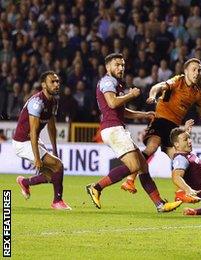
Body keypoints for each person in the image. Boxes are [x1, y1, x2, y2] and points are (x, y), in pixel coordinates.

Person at [118, 58, 201, 204]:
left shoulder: (196, 93)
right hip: (161, 120)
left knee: (179, 159)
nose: (197, 73)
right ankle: (130, 179)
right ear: (186, 71)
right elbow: (159, 86)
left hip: (173, 127)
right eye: (194, 69)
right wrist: (152, 95)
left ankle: (180, 193)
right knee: (152, 147)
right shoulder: (178, 81)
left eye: (199, 70)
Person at [85, 53, 182, 213]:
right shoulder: (108, 81)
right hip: (113, 129)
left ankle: (160, 204)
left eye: (122, 65)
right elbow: (112, 102)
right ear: (108, 66)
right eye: (117, 64)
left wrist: (143, 115)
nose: (121, 68)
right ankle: (96, 187)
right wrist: (131, 95)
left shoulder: (116, 83)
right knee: (134, 165)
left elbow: (120, 110)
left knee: (143, 166)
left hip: (116, 128)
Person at [13, 71, 71, 210]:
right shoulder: (36, 103)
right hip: (23, 142)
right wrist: (37, 159)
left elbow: (51, 127)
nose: (57, 84)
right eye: (53, 81)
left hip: (33, 139)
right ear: (44, 85)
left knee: (53, 177)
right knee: (58, 165)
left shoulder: (53, 101)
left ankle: (25, 182)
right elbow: (33, 132)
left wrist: (55, 149)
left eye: (57, 81)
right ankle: (57, 202)